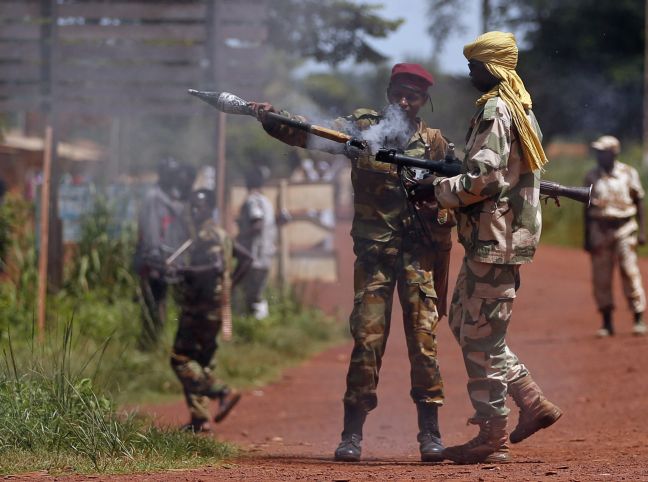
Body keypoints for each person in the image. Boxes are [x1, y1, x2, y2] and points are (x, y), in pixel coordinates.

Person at [250, 63, 454, 462]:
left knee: (424, 344)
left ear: (423, 101)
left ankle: (430, 433)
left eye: (413, 94)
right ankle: (351, 435)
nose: (404, 100)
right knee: (367, 342)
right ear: (388, 92)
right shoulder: (361, 129)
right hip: (375, 256)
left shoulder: (435, 145)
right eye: (398, 91)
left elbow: (456, 196)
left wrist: (437, 202)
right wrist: (272, 119)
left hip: (417, 256)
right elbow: (312, 133)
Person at [431, 32, 562, 464]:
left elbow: (484, 180)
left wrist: (438, 189)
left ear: (494, 67)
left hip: (495, 241)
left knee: (481, 338)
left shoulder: (496, 109)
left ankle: (493, 435)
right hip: (494, 239)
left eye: (475, 64)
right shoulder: (518, 108)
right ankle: (531, 400)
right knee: (468, 329)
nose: (469, 72)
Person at [170, 188, 252, 432]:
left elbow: (215, 266)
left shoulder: (207, 235)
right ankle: (199, 419)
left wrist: (183, 272)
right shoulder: (221, 234)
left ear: (211, 209)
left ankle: (223, 392)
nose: (196, 211)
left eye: (201, 206)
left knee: (180, 360)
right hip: (217, 308)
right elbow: (246, 259)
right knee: (202, 361)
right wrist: (230, 284)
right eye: (193, 206)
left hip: (201, 308)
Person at [584, 135, 647, 337]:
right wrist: (586, 237)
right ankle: (607, 322)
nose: (599, 155)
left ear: (614, 153)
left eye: (603, 152)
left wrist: (643, 231)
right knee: (601, 276)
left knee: (629, 271)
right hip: (599, 229)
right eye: (598, 152)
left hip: (625, 228)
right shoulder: (591, 176)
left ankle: (638, 317)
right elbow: (585, 208)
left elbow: (639, 201)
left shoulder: (628, 173)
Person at [134, 158, 195, 350]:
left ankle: (169, 345)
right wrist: (154, 261)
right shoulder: (154, 198)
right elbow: (151, 232)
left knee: (173, 305)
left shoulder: (172, 197)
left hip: (173, 262)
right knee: (155, 306)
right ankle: (150, 345)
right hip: (158, 262)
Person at [236, 166, 277, 320]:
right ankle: (259, 324)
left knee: (251, 293)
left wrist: (239, 237)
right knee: (257, 293)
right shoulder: (266, 201)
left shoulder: (252, 201)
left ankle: (254, 325)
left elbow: (257, 224)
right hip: (265, 255)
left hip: (253, 255)